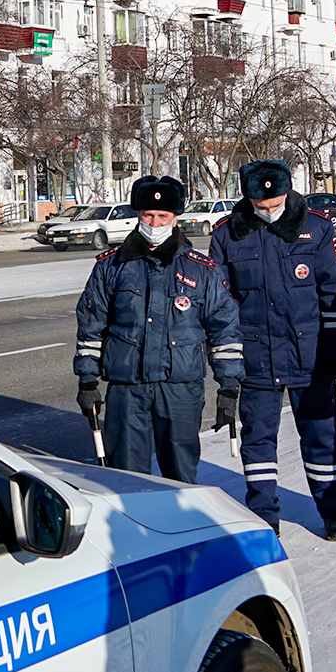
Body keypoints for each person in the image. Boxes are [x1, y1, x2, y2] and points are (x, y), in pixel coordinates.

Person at [207, 160, 336, 540]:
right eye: (262, 204)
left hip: (313, 355)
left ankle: (332, 512)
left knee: (322, 435)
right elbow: (220, 304)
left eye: (276, 202)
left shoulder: (317, 227)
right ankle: (264, 515)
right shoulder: (227, 234)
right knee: (258, 439)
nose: (269, 210)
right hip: (255, 356)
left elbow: (335, 294)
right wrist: (228, 359)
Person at [75, 175, 243, 482]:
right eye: (148, 215)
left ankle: (182, 529)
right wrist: (87, 381)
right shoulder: (110, 266)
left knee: (180, 473)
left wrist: (229, 385)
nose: (155, 222)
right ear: (138, 215)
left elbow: (224, 329)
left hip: (179, 386)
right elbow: (91, 324)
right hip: (127, 387)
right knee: (126, 475)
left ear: (175, 218)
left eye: (162, 216)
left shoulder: (201, 270)